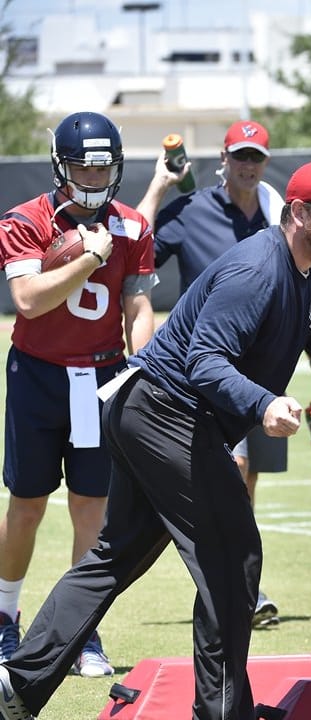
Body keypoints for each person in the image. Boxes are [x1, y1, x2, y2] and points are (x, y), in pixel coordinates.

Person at [0, 160, 311, 720]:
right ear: (298, 213)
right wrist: (264, 402)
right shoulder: (257, 271)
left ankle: (17, 687)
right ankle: (225, 713)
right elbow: (204, 362)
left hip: (147, 413)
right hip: (163, 411)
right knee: (234, 556)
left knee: (114, 556)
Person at [136, 119, 311, 628]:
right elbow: (135, 259)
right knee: (236, 468)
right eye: (239, 156)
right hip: (209, 372)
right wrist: (160, 187)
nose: (247, 166)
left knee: (247, 478)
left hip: (263, 373)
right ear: (222, 160)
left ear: (265, 163)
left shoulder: (277, 214)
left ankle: (231, 575)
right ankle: (234, 580)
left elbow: (303, 300)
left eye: (256, 157)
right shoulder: (190, 210)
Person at [0, 111, 157, 679]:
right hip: (38, 373)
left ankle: (79, 629)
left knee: (93, 507)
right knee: (28, 504)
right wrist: (90, 256)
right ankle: (3, 614)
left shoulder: (134, 226)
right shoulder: (24, 220)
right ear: (60, 166)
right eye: (81, 170)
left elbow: (138, 305)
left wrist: (138, 363)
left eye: (103, 170)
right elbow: (28, 300)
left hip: (101, 376)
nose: (93, 181)